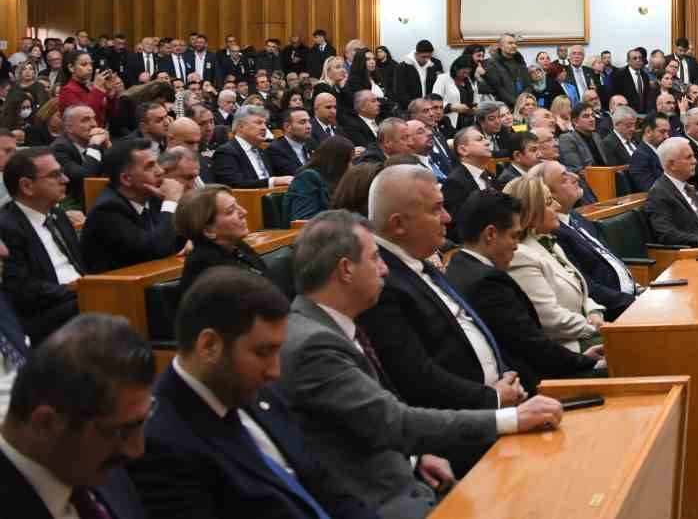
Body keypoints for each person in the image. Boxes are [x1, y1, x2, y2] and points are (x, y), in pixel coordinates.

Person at [278, 211, 564, 518]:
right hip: (383, 503)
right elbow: (393, 421)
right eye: (375, 259)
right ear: (346, 269)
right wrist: (510, 419)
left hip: (411, 472)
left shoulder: (332, 325)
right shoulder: (313, 345)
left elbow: (367, 418)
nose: (385, 269)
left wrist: (416, 457)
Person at [129, 268, 377, 519]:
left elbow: (328, 490)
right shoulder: (160, 443)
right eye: (262, 352)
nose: (275, 371)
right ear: (209, 346)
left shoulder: (257, 393)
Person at [357, 165, 526, 415]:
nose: (447, 217)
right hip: (468, 426)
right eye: (436, 209)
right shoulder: (381, 282)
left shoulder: (417, 261)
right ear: (399, 224)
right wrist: (492, 398)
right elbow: (416, 378)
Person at [1, 314, 152, 519]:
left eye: (141, 422)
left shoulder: (92, 465)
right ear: (46, 423)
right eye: (122, 431)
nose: (137, 450)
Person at [488, 181, 612, 360]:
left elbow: (582, 292)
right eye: (548, 202)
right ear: (531, 211)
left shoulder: (548, 243)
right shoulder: (519, 254)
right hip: (569, 348)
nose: (558, 206)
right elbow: (550, 320)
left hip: (585, 331)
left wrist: (594, 313)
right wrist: (593, 328)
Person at [537, 162, 643, 319]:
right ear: (548, 195)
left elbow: (608, 259)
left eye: (570, 172)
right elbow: (587, 287)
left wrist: (639, 290)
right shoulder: (553, 234)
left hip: (631, 296)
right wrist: (636, 302)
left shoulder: (576, 218)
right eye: (564, 178)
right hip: (611, 312)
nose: (575, 177)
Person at [0, 148, 83, 342]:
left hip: (77, 299)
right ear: (27, 186)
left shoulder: (58, 216)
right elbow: (23, 290)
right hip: (43, 315)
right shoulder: (6, 227)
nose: (65, 180)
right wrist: (78, 290)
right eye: (55, 175)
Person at [81, 140, 185, 273]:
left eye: (157, 163)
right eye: (150, 166)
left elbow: (176, 239)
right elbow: (156, 250)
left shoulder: (153, 197)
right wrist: (171, 202)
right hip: (118, 289)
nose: (160, 171)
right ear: (126, 179)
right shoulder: (108, 211)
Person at [173, 185, 268, 301]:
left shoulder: (237, 246)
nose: (244, 212)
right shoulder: (206, 268)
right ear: (209, 231)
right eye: (231, 211)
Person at [645, 138, 698, 247]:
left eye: (693, 156)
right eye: (689, 157)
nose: (695, 161)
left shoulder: (686, 187)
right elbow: (667, 234)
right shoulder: (658, 194)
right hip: (697, 251)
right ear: (671, 164)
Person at [212, 106, 294, 190]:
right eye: (258, 123)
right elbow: (234, 184)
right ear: (241, 127)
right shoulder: (225, 152)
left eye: (265, 123)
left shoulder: (262, 151)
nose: (264, 128)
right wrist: (273, 181)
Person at [626, 113, 670, 194]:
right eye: (662, 131)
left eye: (667, 131)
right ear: (648, 131)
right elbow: (649, 188)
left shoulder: (664, 151)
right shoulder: (639, 156)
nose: (666, 136)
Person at [266, 108, 316, 177]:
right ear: (287, 127)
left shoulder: (312, 144)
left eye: (309, 122)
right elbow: (297, 174)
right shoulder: (276, 150)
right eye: (302, 122)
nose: (309, 126)